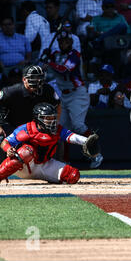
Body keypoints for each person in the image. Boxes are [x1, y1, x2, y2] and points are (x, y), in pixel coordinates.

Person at [0, 103, 89, 186]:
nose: (51, 122)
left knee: (73, 175)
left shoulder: (57, 129)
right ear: (38, 119)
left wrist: (86, 141)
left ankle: (51, 179)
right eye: (48, 118)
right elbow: (5, 142)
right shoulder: (27, 128)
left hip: (46, 164)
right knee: (26, 151)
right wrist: (8, 149)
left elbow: (71, 137)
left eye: (53, 118)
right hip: (25, 165)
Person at [0, 65, 60, 177]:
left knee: (56, 136)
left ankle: (55, 171)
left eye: (40, 78)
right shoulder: (11, 91)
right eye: (34, 78)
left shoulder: (48, 90)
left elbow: (58, 105)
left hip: (32, 128)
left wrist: (54, 123)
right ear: (24, 79)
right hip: (9, 126)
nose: (38, 81)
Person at [43, 30, 104, 168]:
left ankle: (97, 154)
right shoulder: (56, 55)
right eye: (61, 42)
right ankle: (65, 162)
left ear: (71, 42)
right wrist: (46, 56)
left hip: (78, 94)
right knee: (61, 129)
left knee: (78, 126)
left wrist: (50, 62)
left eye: (66, 41)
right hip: (64, 95)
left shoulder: (75, 55)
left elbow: (64, 70)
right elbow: (47, 64)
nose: (63, 44)